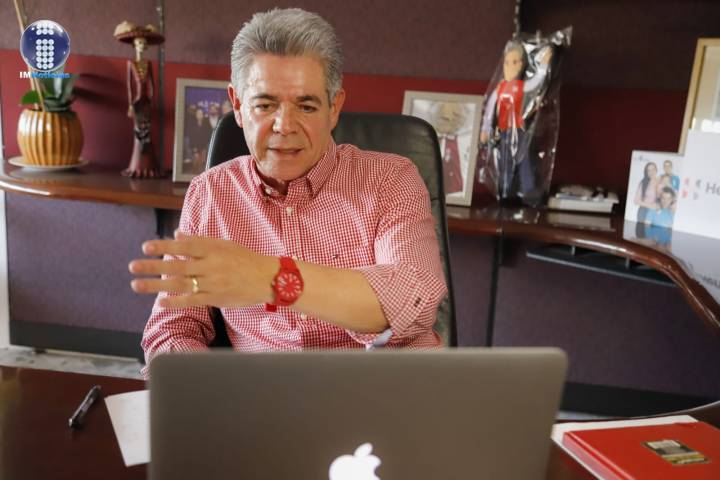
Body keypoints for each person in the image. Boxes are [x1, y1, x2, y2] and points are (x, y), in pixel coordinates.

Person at [129, 8, 447, 376]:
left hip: (386, 389)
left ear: (334, 108)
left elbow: (413, 295)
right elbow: (171, 331)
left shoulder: (391, 178)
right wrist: (216, 390)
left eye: (306, 106)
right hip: (264, 397)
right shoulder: (210, 194)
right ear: (237, 105)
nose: (284, 126)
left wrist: (270, 278)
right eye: (265, 105)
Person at [480, 40, 552, 201]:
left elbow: (536, 83)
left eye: (514, 62)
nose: (509, 67)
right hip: (503, 132)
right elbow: (489, 112)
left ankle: (528, 190)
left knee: (525, 160)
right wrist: (485, 130)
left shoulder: (520, 86)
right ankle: (506, 190)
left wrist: (543, 65)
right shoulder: (499, 89)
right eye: (506, 62)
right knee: (505, 161)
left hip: (520, 130)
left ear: (521, 64)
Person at [114, 21, 165, 178]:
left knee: (147, 131)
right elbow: (130, 85)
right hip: (136, 103)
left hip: (146, 102)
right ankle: (136, 165)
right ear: (134, 45)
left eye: (143, 43)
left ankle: (148, 165)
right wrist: (131, 104)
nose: (141, 46)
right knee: (138, 131)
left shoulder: (148, 63)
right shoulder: (131, 63)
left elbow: (152, 84)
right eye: (139, 43)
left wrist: (151, 99)